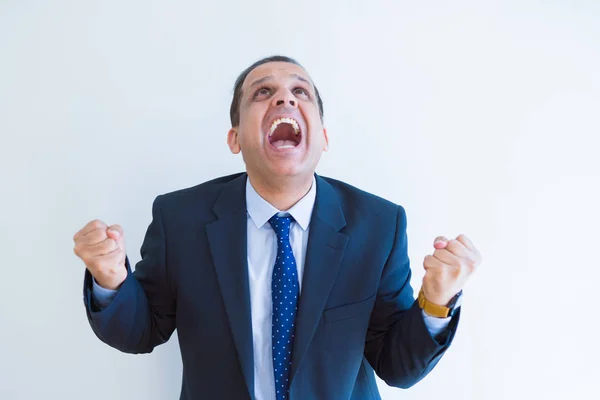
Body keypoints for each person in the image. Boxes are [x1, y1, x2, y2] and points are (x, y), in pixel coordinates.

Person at [73, 55, 481, 400]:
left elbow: (397, 364)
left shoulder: (378, 225)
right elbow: (141, 330)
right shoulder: (180, 218)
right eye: (262, 93)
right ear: (235, 139)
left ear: (322, 136)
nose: (284, 97)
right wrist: (111, 281)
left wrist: (437, 301)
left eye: (299, 91)